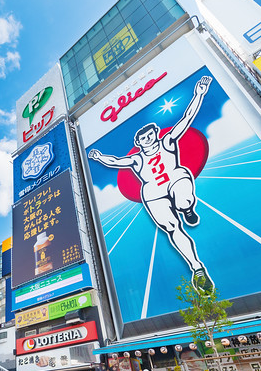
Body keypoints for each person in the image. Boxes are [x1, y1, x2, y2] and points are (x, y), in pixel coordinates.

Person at [88, 76, 215, 293]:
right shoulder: (137, 159)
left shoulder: (167, 142)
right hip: (153, 191)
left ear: (155, 133)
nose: (148, 138)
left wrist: (199, 94)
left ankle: (187, 208)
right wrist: (99, 157)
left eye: (150, 134)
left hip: (174, 177)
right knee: (172, 228)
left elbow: (186, 118)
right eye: (143, 137)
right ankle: (197, 268)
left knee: (182, 190)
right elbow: (116, 161)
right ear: (138, 143)